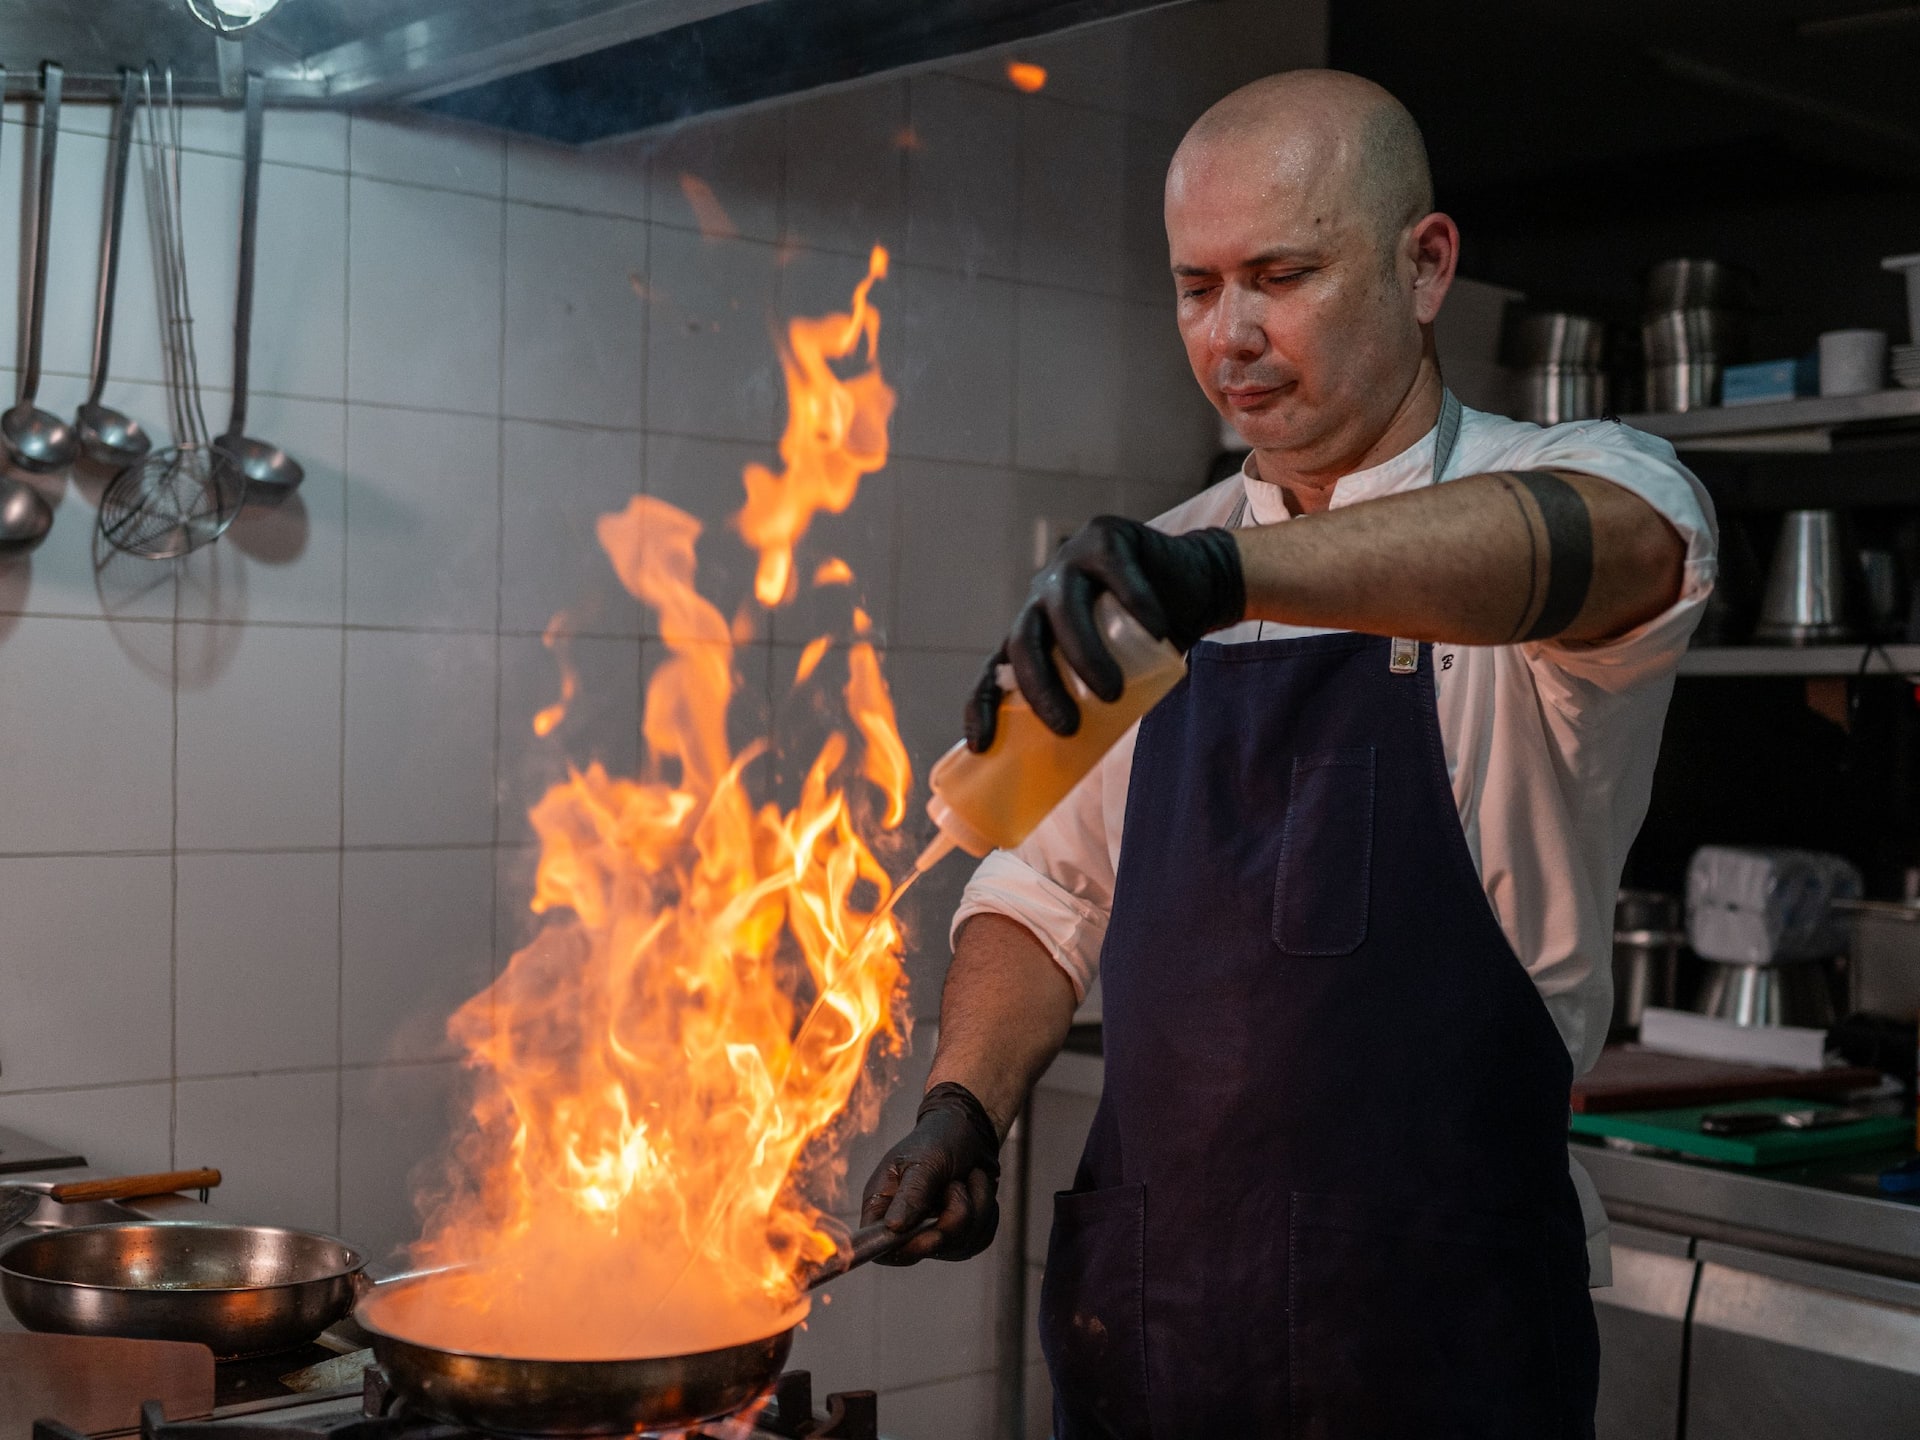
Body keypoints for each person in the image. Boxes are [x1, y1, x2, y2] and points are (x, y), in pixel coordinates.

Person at [861, 68, 1714, 1438]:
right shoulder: (1174, 566)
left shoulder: (1573, 481)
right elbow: (1041, 891)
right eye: (1198, 288)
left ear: (1425, 265)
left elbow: (1608, 549)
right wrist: (964, 1105)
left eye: (1282, 274)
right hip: (1155, 1327)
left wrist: (1222, 576)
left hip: (1438, 1335)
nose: (1232, 336)